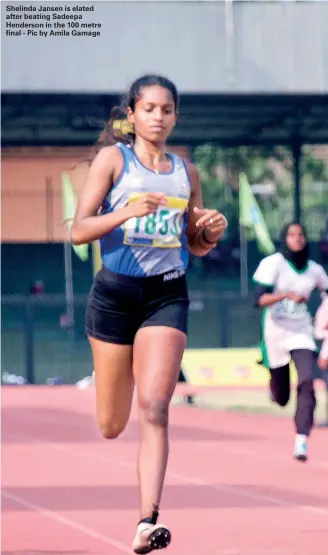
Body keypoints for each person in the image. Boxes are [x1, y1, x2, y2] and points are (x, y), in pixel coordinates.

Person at [70, 74, 227, 553]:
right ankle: (116, 382)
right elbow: (79, 231)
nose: (159, 117)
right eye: (150, 108)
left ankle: (146, 522)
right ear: (133, 114)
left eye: (167, 109)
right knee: (111, 425)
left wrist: (209, 232)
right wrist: (127, 211)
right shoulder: (113, 160)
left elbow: (194, 245)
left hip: (166, 294)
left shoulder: (186, 172)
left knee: (156, 408)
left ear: (176, 115)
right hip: (114, 297)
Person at [253, 222, 328, 462]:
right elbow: (259, 300)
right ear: (284, 239)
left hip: (301, 331)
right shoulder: (273, 264)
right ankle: (273, 384)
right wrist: (285, 294)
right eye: (291, 235)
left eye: (301, 235)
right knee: (282, 397)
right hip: (275, 331)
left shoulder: (314, 270)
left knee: (307, 381)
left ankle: (301, 439)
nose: (297, 239)